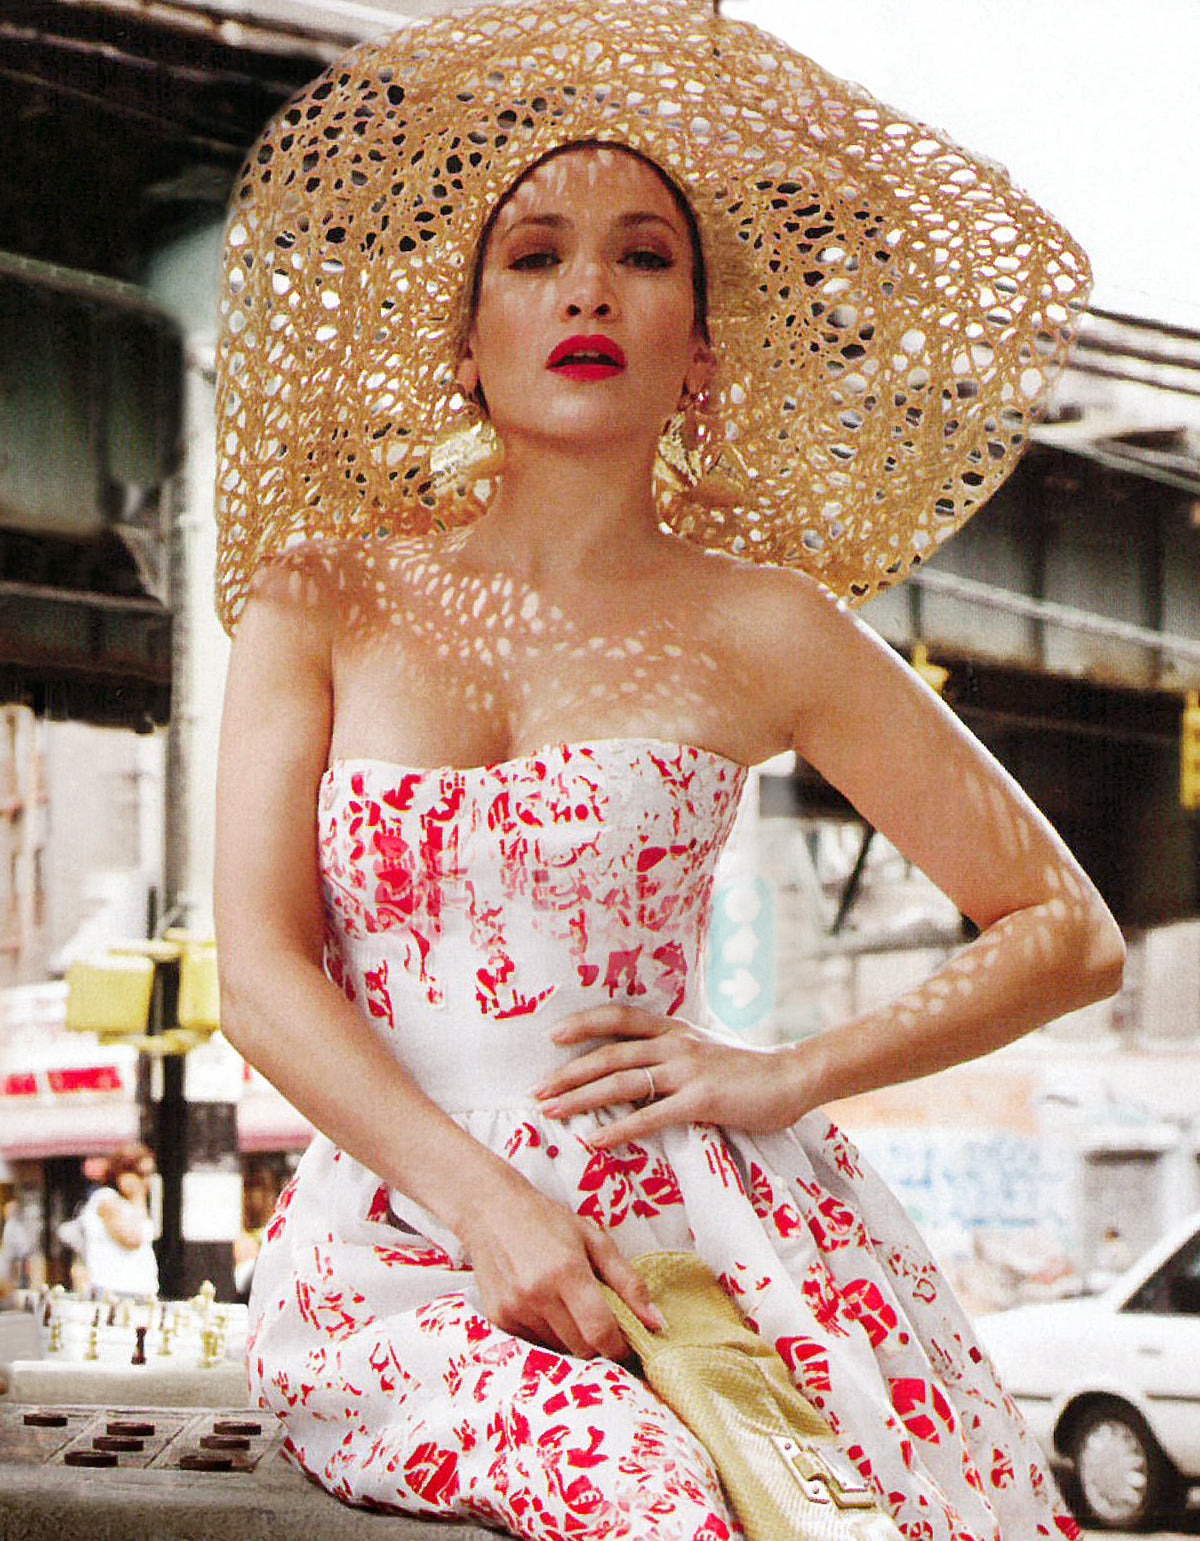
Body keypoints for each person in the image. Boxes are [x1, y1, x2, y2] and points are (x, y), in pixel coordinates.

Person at [213, 3, 1124, 1536]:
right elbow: (259, 972)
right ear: (466, 332)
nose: (588, 286)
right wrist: (489, 1205)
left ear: (700, 347)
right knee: (647, 1490)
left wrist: (783, 1072)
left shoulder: (769, 626)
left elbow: (1066, 931)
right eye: (532, 253)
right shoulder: (325, 596)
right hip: (404, 1251)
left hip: (712, 1239)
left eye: (643, 255)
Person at [76, 1144, 159, 1299]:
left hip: (139, 1291)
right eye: (141, 1174)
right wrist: (138, 1198)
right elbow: (131, 1239)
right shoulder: (106, 1199)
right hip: (115, 1292)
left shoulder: (128, 1203)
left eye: (150, 1174)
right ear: (123, 1173)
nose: (146, 1181)